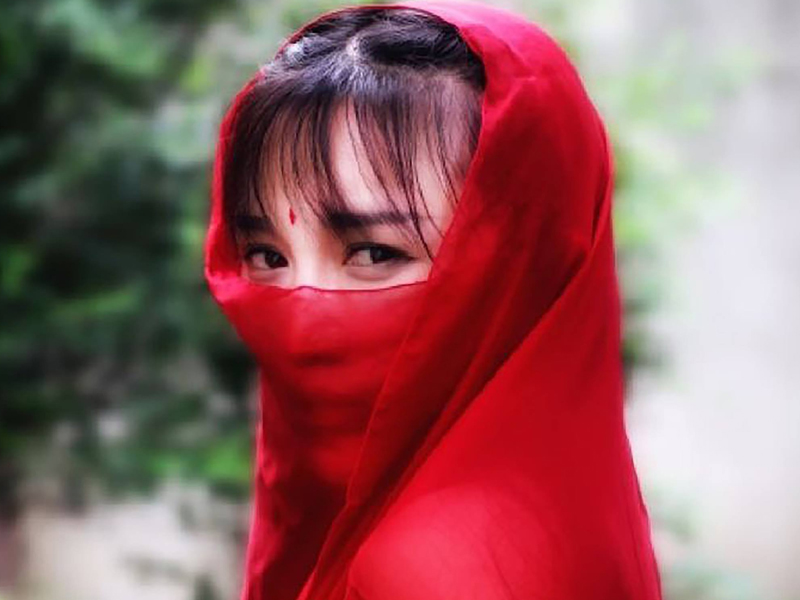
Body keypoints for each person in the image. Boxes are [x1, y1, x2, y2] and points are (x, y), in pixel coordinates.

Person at [205, 1, 664, 599]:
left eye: (374, 252)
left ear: (519, 265)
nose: (300, 320)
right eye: (268, 256)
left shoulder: (423, 566)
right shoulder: (559, 497)